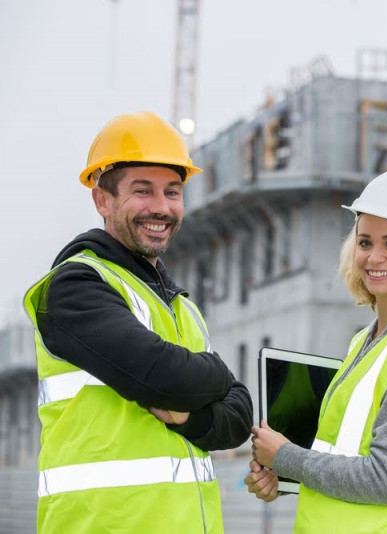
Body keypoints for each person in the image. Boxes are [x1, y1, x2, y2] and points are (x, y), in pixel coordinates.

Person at [23, 111, 254, 533]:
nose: (161, 207)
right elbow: (163, 378)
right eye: (142, 191)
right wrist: (219, 374)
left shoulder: (178, 304)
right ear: (102, 200)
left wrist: (192, 418)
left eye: (173, 192)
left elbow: (238, 417)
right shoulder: (75, 286)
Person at [245, 166, 387, 533]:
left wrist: (286, 456)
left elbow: (383, 479)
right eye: (365, 242)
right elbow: (343, 455)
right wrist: (283, 474)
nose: (373, 256)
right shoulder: (366, 341)